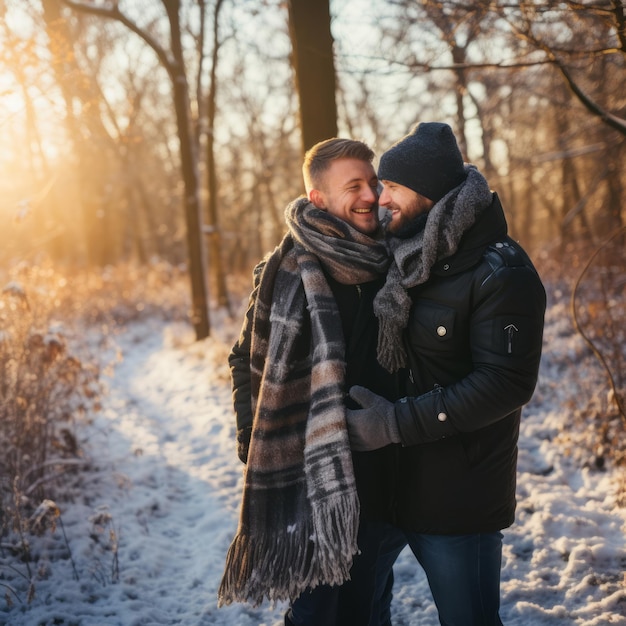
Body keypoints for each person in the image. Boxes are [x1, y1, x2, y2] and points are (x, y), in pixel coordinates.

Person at [345, 122, 546, 625]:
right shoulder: (396, 259)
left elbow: (506, 383)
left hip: (458, 498)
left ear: (428, 194)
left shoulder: (501, 272)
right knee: (360, 613)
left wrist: (393, 423)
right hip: (385, 488)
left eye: (390, 186)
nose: (378, 196)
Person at [218, 138, 404, 625]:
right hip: (306, 475)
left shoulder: (400, 262)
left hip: (383, 473)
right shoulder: (283, 271)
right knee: (315, 612)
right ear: (318, 199)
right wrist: (252, 438)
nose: (370, 195)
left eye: (373, 182)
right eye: (354, 186)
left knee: (368, 608)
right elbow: (244, 359)